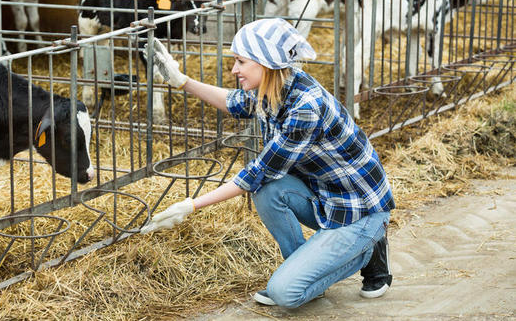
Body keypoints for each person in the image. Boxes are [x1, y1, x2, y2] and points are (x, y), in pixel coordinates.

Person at [140, 18, 394, 308]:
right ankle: (306, 269)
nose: (234, 69)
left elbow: (257, 172)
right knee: (268, 191)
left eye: (241, 61)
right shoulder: (276, 87)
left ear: (266, 63)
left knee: (285, 294)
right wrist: (181, 81)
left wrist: (191, 205)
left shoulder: (305, 108)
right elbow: (234, 102)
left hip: (359, 209)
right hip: (328, 197)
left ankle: (367, 248)